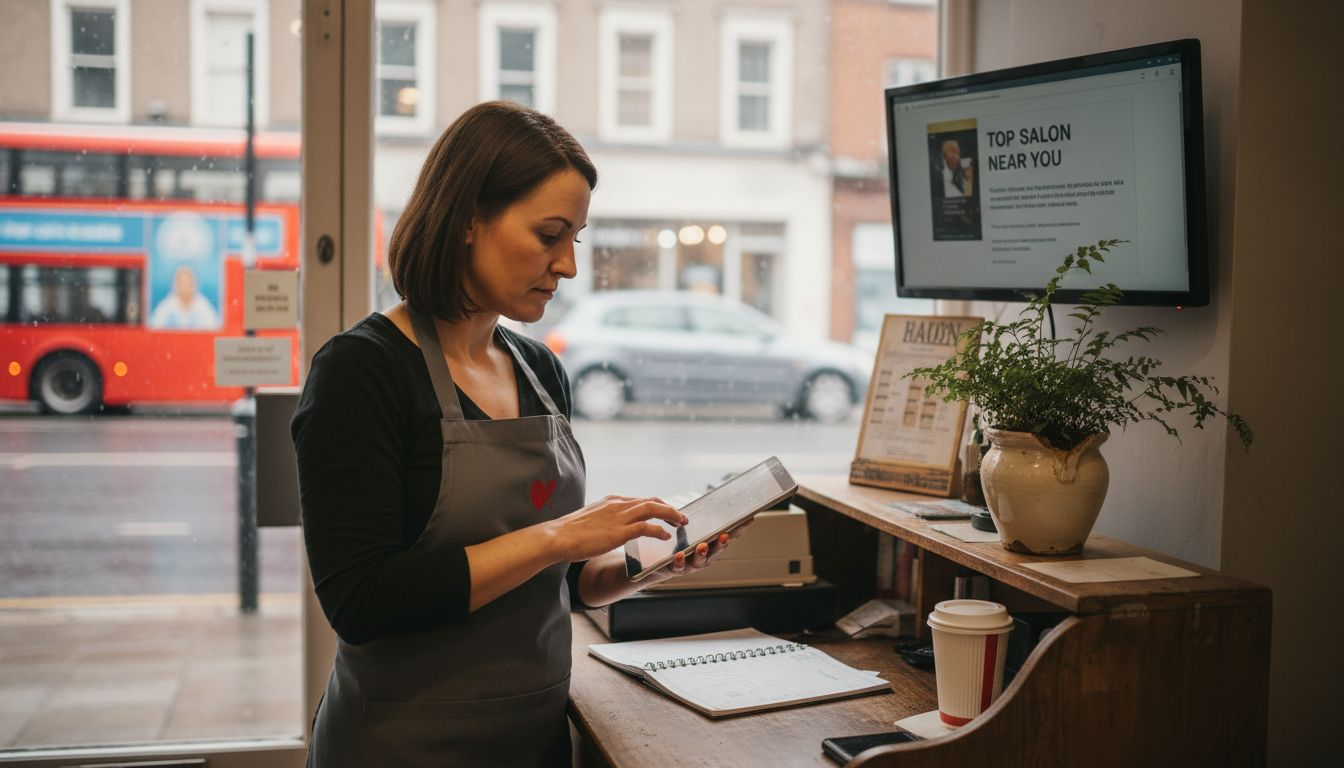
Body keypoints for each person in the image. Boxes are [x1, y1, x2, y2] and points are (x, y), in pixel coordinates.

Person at [291, 101, 738, 768]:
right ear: (468, 217)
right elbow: (362, 600)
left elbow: (561, 581)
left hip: (531, 741)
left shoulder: (540, 369)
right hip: (400, 746)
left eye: (576, 239)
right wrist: (559, 535)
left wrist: (645, 563)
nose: (568, 266)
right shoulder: (362, 372)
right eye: (549, 234)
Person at [148, 265, 220, 329]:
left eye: (188, 282)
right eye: (181, 283)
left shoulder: (204, 307)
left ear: (194, 284)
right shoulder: (165, 307)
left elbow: (214, 330)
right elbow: (154, 329)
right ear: (175, 284)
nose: (185, 286)